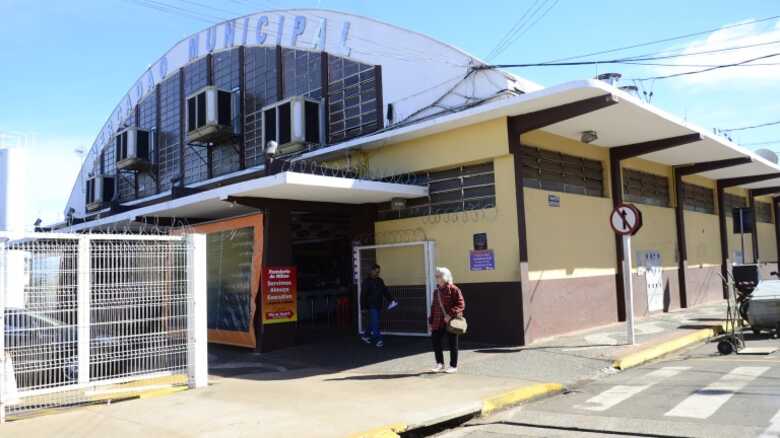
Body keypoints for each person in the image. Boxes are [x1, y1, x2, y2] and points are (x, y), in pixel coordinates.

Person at [429, 267, 465, 373]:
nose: (437, 278)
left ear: (445, 277)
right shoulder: (436, 292)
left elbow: (461, 304)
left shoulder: (454, 289)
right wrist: (430, 321)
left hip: (450, 322)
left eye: (439, 276)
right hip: (437, 321)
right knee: (435, 341)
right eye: (436, 276)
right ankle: (439, 363)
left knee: (452, 344)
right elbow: (433, 307)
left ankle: (453, 366)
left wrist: (450, 314)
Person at [361, 264, 395, 347]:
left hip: (378, 305)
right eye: (376, 271)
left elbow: (385, 291)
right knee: (375, 323)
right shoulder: (366, 282)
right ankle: (379, 340)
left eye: (378, 272)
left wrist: (391, 300)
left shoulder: (380, 280)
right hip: (371, 305)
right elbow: (363, 295)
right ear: (371, 271)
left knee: (373, 322)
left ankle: (365, 336)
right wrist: (363, 308)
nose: (377, 273)